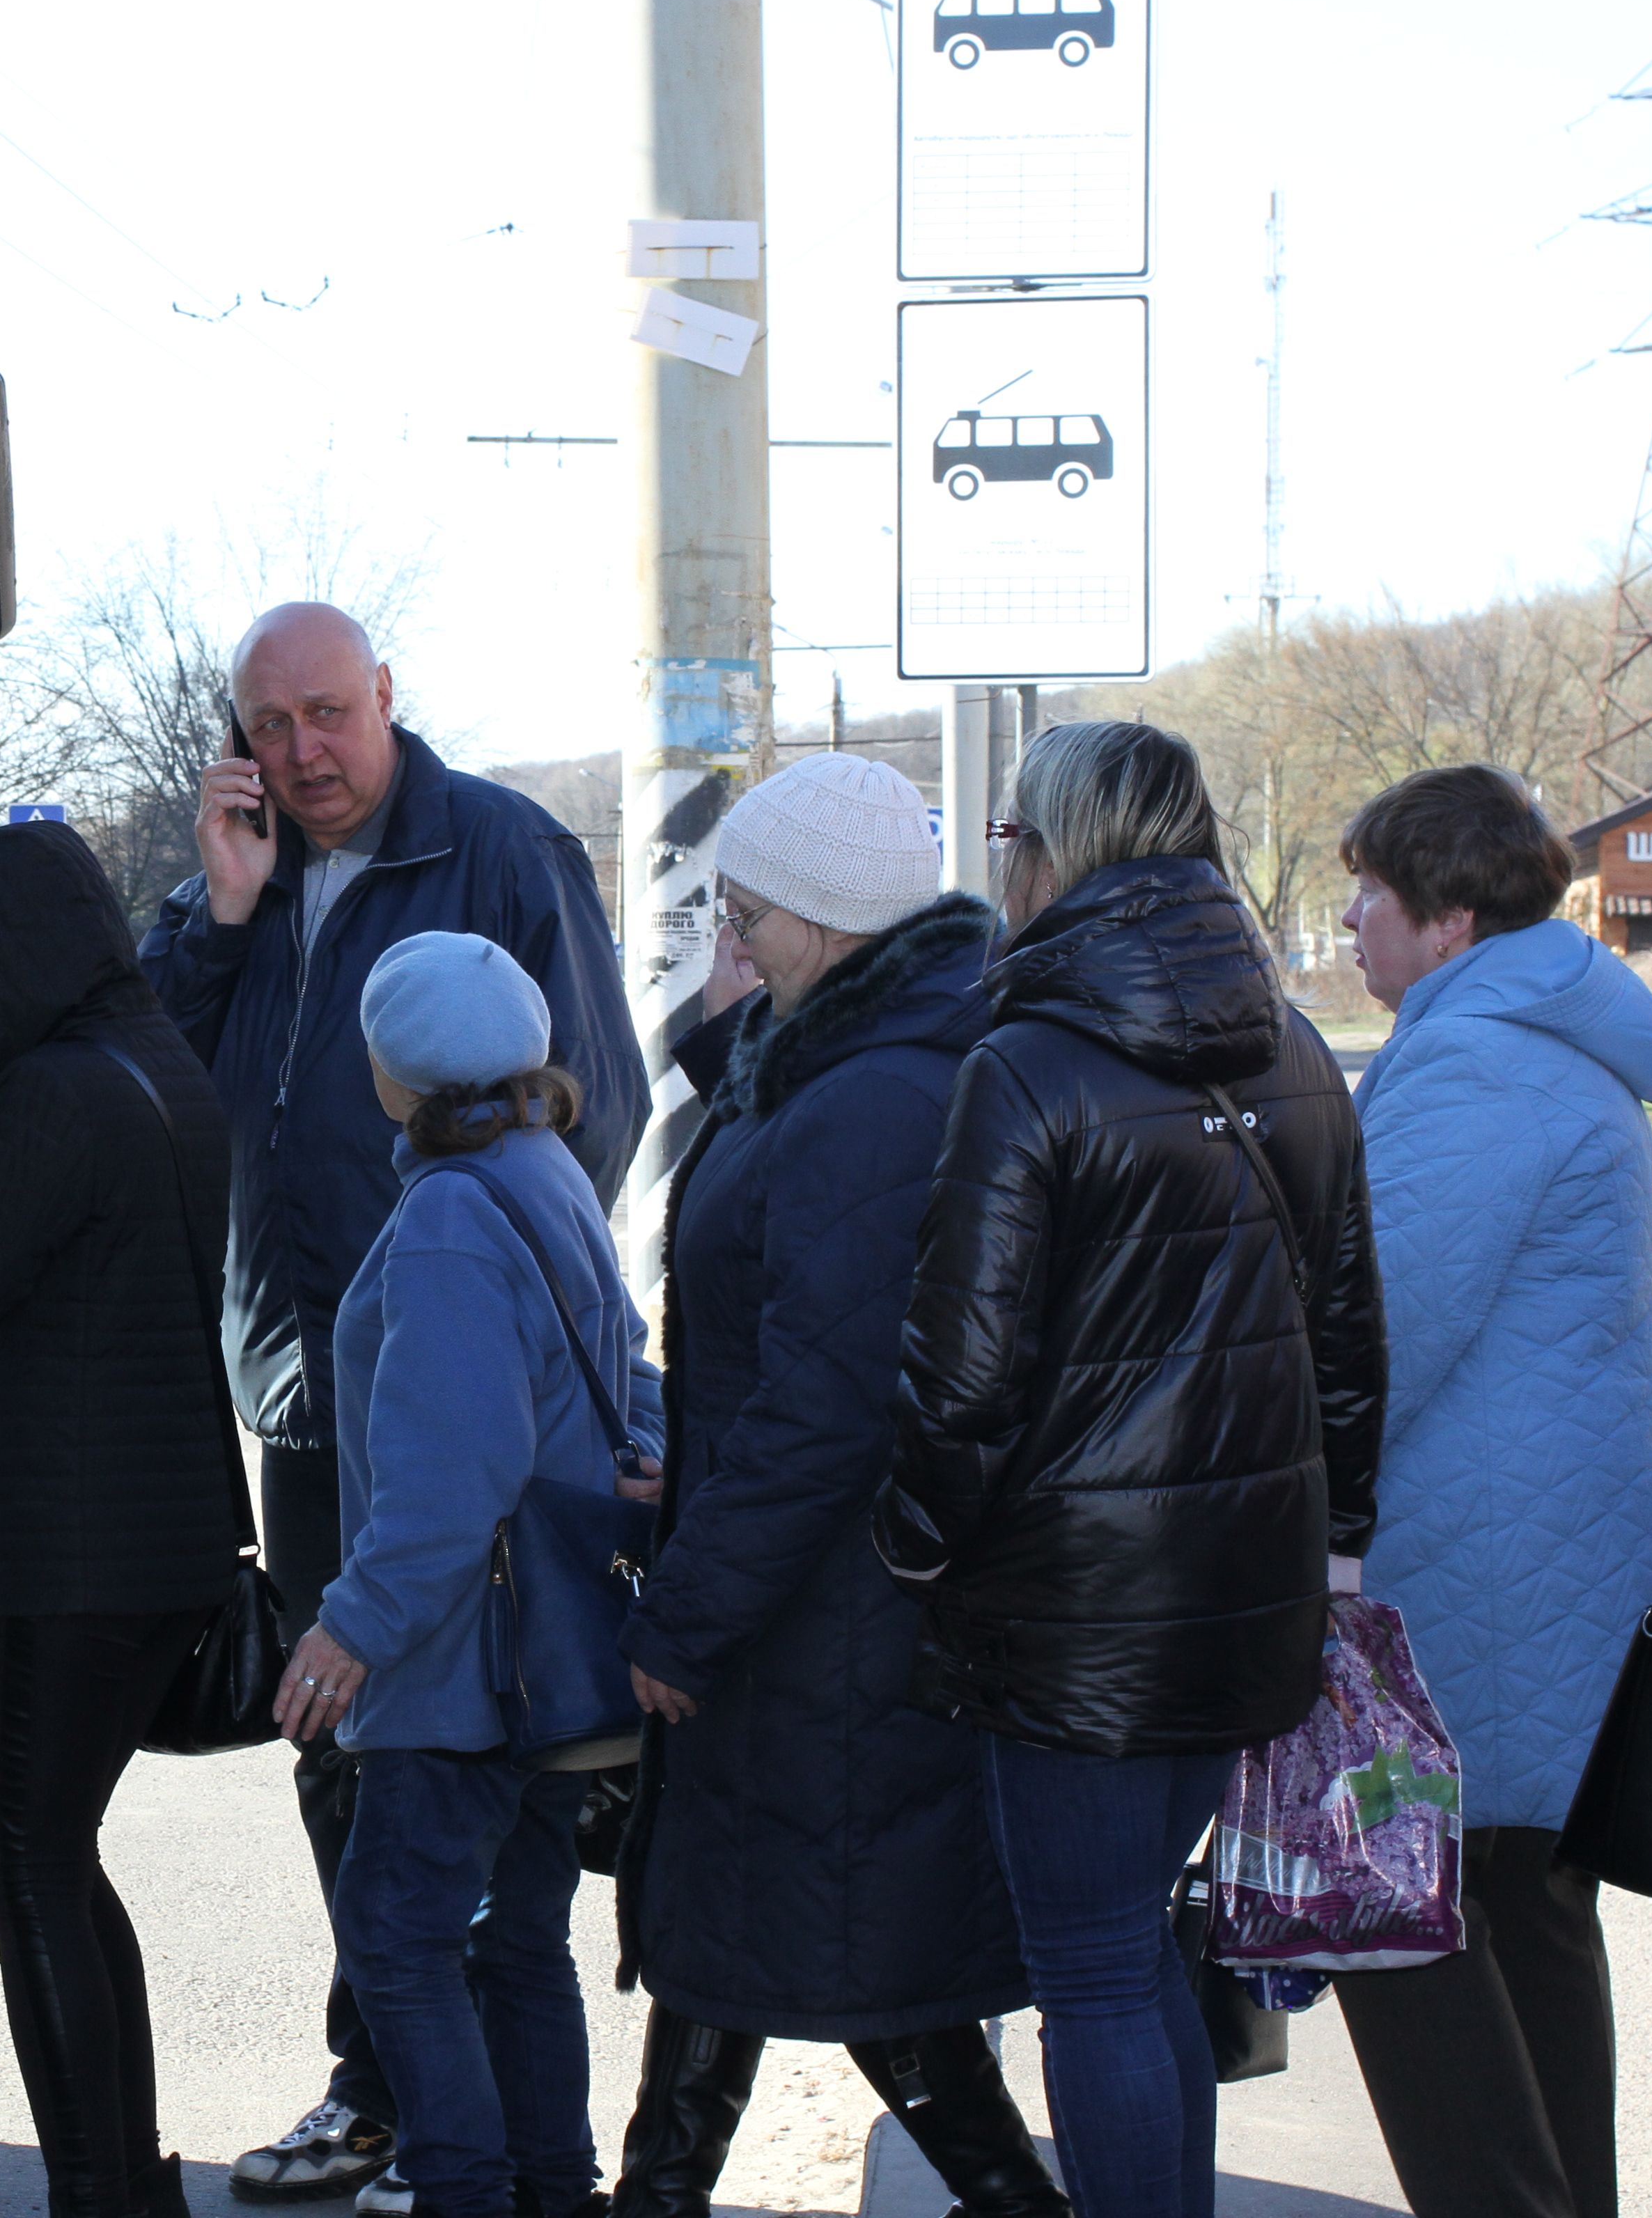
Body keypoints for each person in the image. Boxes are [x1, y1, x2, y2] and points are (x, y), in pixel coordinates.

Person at [138, 603, 644, 2201]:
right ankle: (393, 2088)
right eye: (268, 726)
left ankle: (466, 2115)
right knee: (344, 1746)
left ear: (384, 700)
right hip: (301, 1386)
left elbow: (596, 1103)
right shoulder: (244, 871)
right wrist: (215, 922)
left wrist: (489, 1326)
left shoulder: (497, 848)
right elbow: (154, 1077)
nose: (300, 752)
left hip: (446, 1385)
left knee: (473, 1760)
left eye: (326, 713)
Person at [874, 721, 1382, 2218]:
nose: (1000, 868)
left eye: (1009, 839)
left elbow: (957, 1376)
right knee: (1133, 1950)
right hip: (1252, 1592)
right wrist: (1337, 1542)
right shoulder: (1295, 1047)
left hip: (1079, 1609)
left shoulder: (1026, 1066)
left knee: (1091, 1970)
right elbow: (1352, 1337)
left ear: (1055, 851)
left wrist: (914, 1550)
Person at [608, 755, 1059, 2217]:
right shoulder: (844, 1055)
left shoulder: (872, 1096)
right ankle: (659, 2191)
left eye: (748, 913)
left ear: (827, 917)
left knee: (864, 1947)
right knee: (752, 1926)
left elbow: (829, 1408)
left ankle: (1015, 2201)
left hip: (834, 1613)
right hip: (813, 1601)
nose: (730, 938)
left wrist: (686, 1616)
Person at [1325, 765, 1652, 2218]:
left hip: (1476, 1585)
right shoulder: (1546, 1037)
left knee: (1400, 1927)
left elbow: (1378, 1340)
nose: (1352, 921)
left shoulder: (1477, 1064)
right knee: (1528, 1928)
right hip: (1558, 1573)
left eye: (1372, 895)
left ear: (1452, 918)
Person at [0, 820, 247, 2218]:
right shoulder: (159, 1066)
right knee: (63, 1857)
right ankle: (126, 2180)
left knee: (26, 1867)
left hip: (71, 1554)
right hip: (162, 1548)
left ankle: (99, 2192)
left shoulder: (49, 1097)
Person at [274, 930, 663, 2218]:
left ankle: (464, 2192)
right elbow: (620, 1367)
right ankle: (551, 2192)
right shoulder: (540, 1166)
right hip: (545, 1660)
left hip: (460, 1672)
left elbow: (455, 1472)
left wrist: (348, 1628)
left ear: (391, 1073)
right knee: (519, 1943)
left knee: (397, 1944)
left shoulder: (446, 1213)